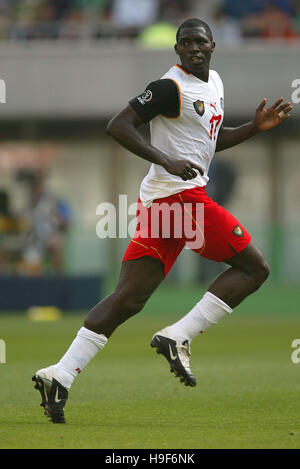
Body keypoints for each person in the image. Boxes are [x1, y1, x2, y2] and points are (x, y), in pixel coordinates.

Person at [32, 17, 293, 423]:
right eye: (186, 42)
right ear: (177, 49)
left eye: (200, 42)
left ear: (212, 46)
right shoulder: (169, 87)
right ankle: (179, 336)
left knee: (129, 298)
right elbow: (118, 125)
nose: (193, 48)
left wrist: (254, 129)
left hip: (162, 203)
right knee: (255, 268)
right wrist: (165, 158)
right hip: (179, 199)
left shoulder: (214, 84)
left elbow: (209, 140)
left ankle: (60, 375)